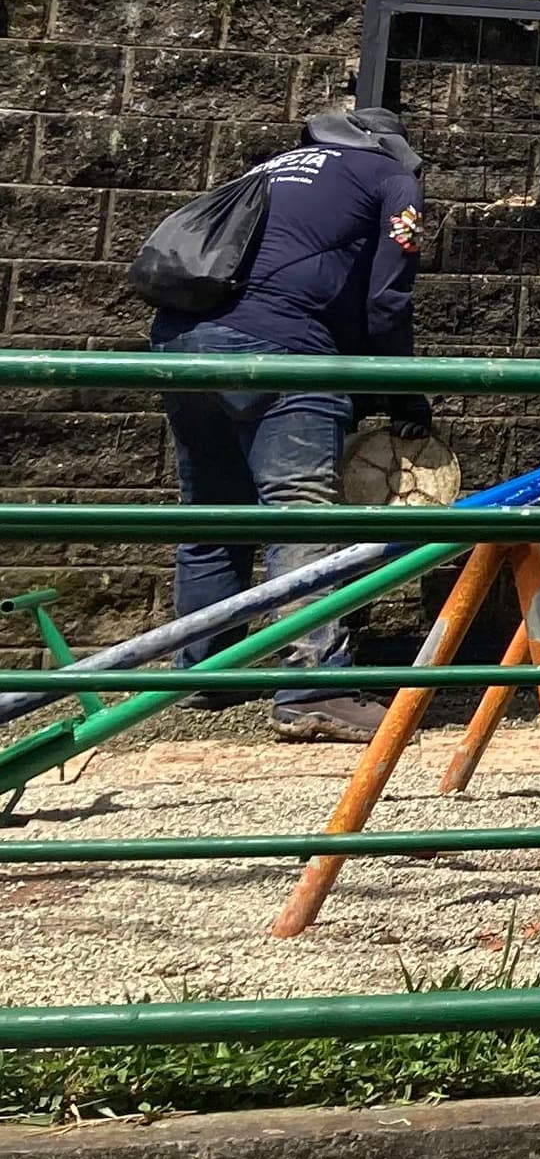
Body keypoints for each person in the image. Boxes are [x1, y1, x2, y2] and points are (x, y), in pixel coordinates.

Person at [153, 103, 427, 744]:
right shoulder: (392, 177)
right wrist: (405, 392)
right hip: (282, 347)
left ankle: (205, 673)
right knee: (302, 514)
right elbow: (388, 300)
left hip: (181, 343)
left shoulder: (274, 167)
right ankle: (315, 691)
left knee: (215, 508)